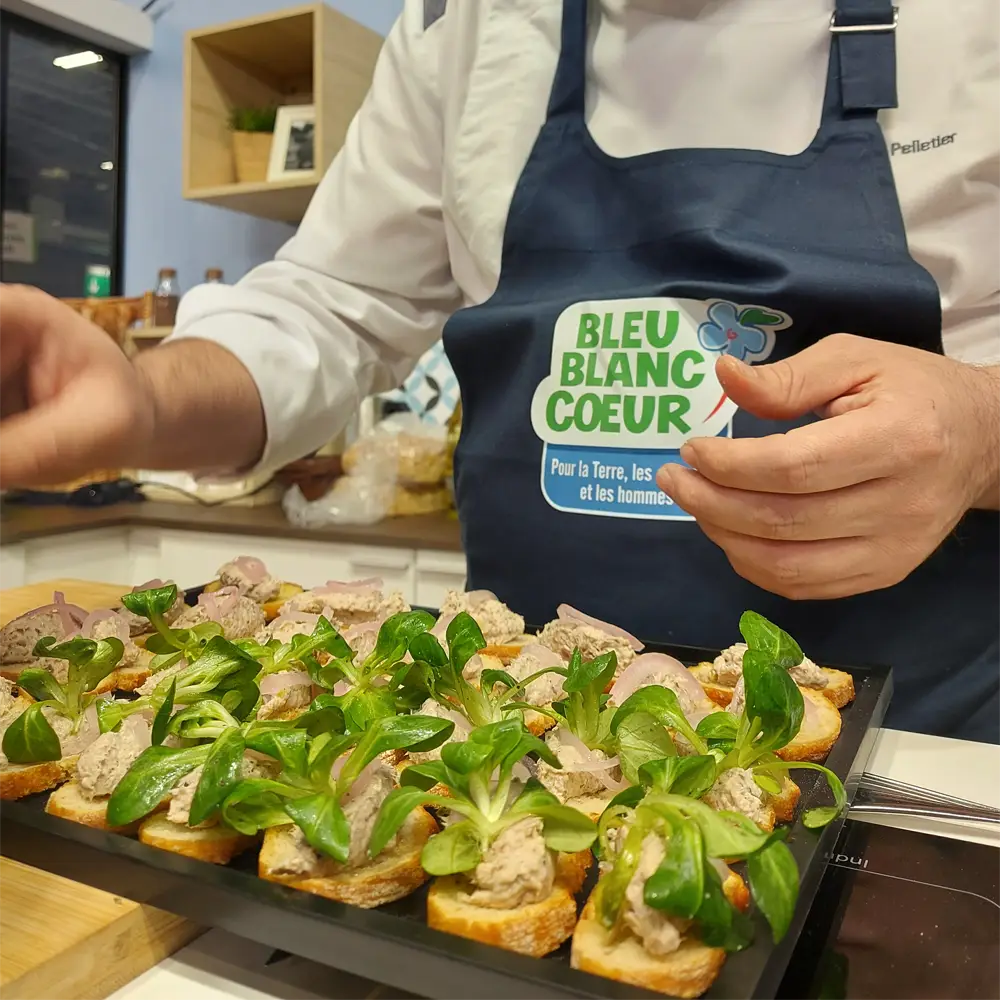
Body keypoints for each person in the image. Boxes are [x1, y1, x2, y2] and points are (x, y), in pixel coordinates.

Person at [1, 0, 999, 741]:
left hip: (914, 759)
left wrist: (984, 432)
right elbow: (328, 306)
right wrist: (140, 399)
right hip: (517, 743)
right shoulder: (463, 25)